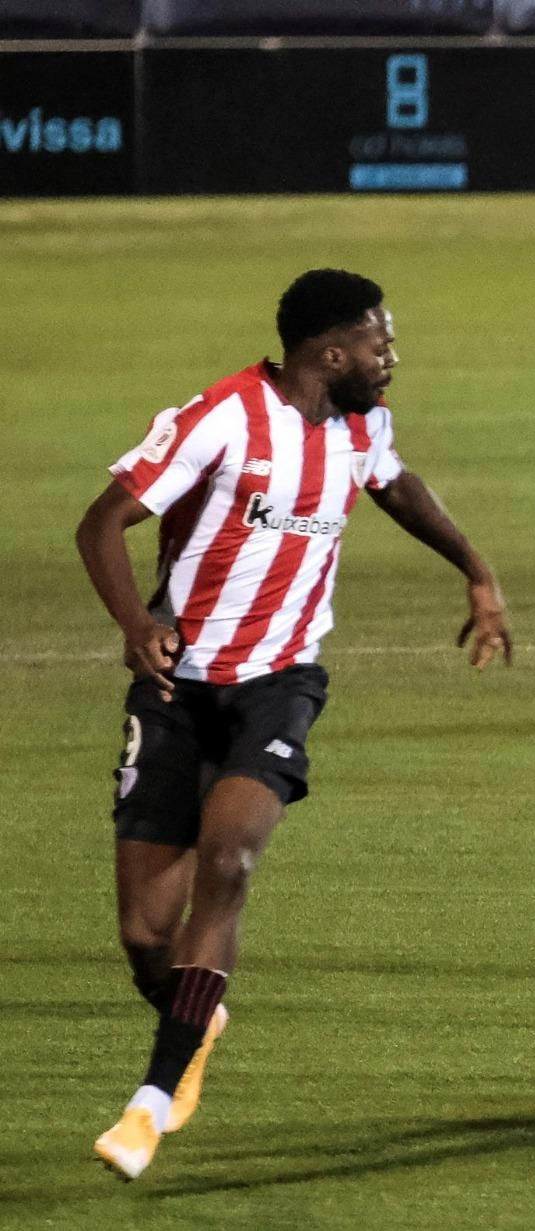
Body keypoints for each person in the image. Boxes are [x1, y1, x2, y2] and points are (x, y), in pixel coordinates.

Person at [77, 268, 512, 1179]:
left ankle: (149, 1104)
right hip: (176, 687)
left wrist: (474, 567)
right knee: (146, 938)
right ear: (332, 352)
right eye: (380, 341)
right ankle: (197, 1011)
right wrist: (136, 626)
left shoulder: (362, 426)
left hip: (280, 684)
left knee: (230, 858)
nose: (391, 355)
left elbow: (394, 487)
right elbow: (103, 522)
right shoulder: (221, 417)